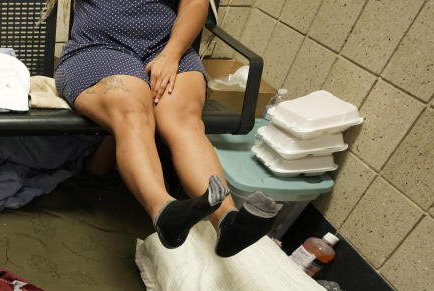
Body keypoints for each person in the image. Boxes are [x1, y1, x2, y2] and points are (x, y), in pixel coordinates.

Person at [50, 0, 279, 257]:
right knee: (131, 108)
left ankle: (228, 222)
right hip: (96, 47)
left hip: (168, 47)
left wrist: (172, 53)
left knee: (183, 120)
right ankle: (164, 211)